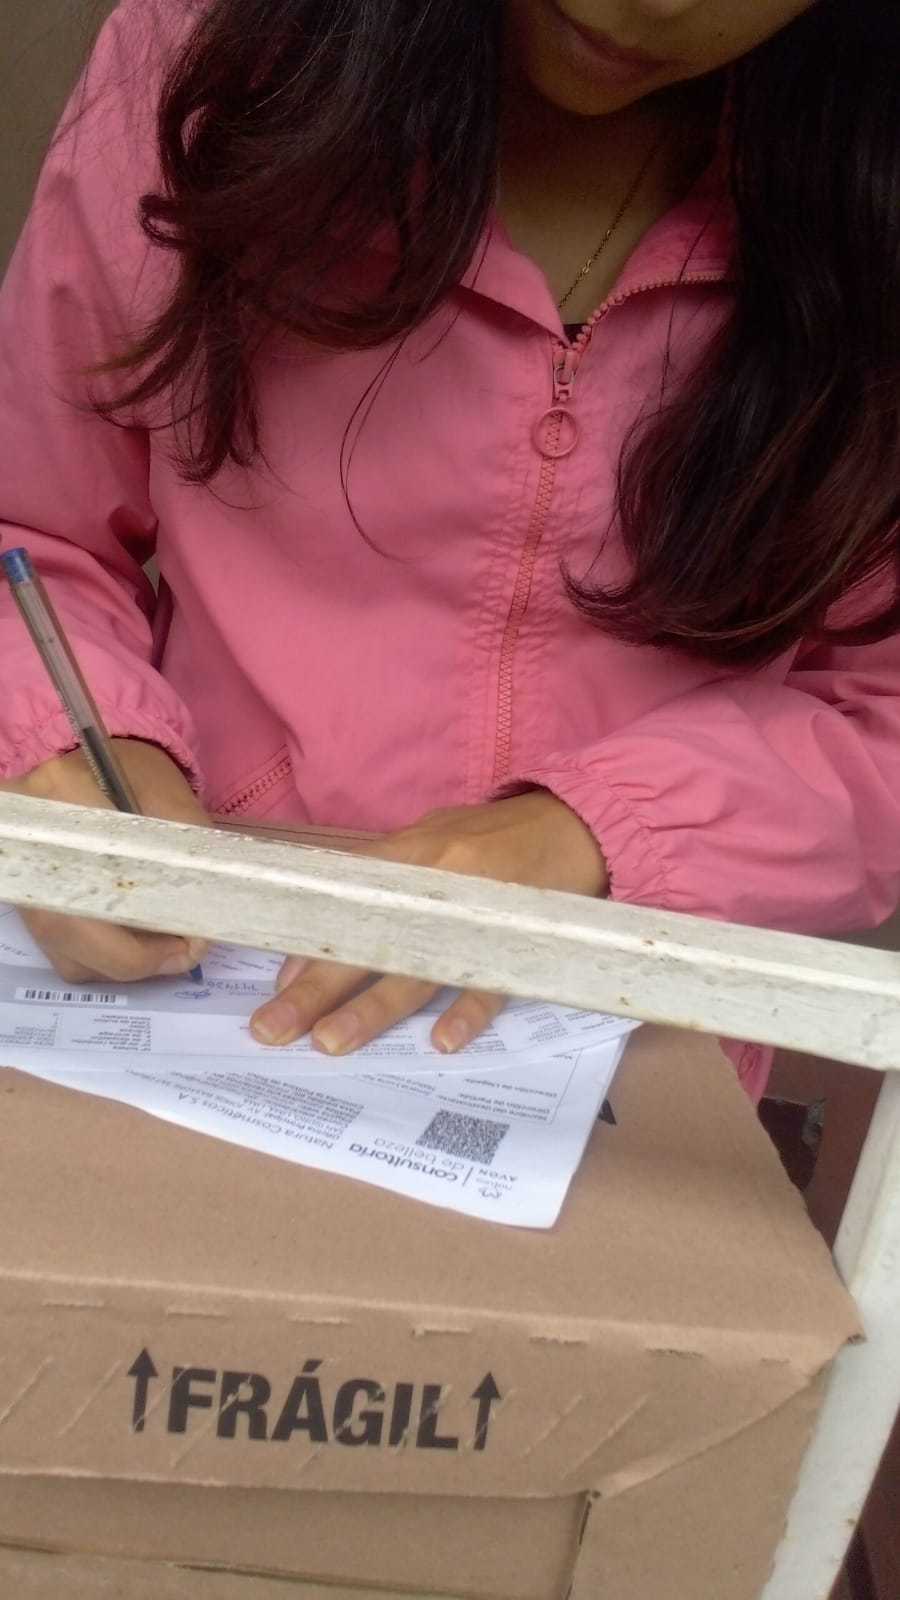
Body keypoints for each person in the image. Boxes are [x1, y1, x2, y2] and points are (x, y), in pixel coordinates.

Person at [1, 0, 898, 1099]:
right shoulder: (211, 64)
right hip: (197, 981)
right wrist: (63, 745)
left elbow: (883, 712)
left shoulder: (875, 192)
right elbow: (28, 531)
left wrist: (603, 833)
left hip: (627, 1050)